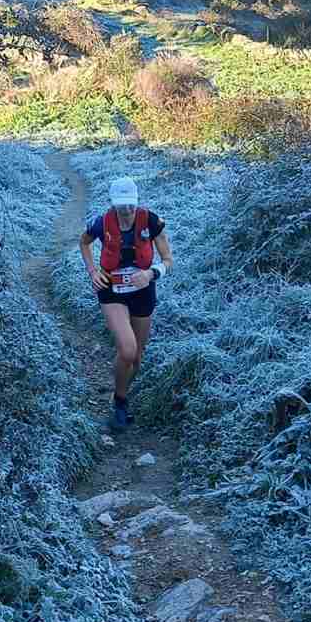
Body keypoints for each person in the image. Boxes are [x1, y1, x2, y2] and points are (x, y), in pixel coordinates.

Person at [79, 175, 173, 431]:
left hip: (143, 289)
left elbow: (167, 260)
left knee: (137, 358)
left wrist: (151, 274)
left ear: (136, 201)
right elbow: (84, 242)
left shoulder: (151, 221)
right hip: (111, 289)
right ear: (113, 203)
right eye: (122, 205)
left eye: (131, 204)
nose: (127, 210)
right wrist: (92, 271)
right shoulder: (102, 222)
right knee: (128, 350)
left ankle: (121, 393)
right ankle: (119, 403)